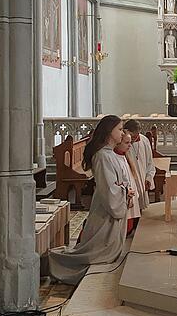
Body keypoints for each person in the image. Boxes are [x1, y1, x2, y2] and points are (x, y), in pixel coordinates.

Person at [48, 115, 135, 284]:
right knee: (94, 253)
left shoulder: (109, 154)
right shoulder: (103, 156)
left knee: (100, 252)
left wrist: (125, 191)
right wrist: (124, 191)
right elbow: (108, 189)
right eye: (119, 129)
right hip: (104, 212)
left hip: (110, 207)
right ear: (109, 132)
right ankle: (56, 263)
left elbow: (115, 185)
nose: (122, 132)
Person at [123, 119, 155, 212]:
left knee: (139, 206)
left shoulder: (144, 140)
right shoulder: (121, 143)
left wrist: (149, 177)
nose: (133, 140)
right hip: (129, 178)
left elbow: (149, 161)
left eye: (135, 137)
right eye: (132, 137)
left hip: (141, 176)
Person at [114, 132, 141, 235]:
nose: (130, 145)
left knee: (128, 229)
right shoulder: (114, 158)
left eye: (130, 142)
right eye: (127, 142)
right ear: (118, 143)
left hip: (128, 197)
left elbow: (130, 179)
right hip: (123, 199)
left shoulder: (124, 156)